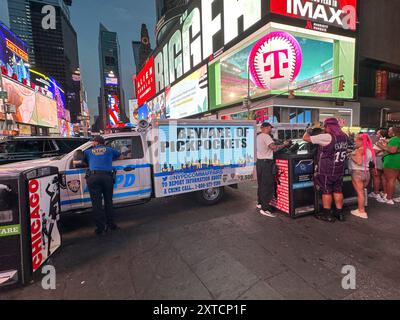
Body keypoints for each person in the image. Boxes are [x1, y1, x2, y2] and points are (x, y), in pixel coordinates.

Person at [303, 118, 349, 222]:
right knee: (338, 190)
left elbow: (305, 138)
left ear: (328, 126)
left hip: (326, 170)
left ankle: (327, 214)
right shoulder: (344, 136)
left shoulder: (327, 136)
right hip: (339, 168)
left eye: (325, 126)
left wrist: (308, 130)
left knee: (326, 191)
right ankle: (339, 213)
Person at [84, 136, 122, 235]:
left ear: (96, 143)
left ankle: (100, 228)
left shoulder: (88, 152)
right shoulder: (109, 150)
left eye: (93, 142)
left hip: (93, 177)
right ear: (103, 143)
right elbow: (119, 156)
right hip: (107, 177)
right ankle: (111, 225)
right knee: (108, 202)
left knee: (96, 204)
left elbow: (82, 161)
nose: (92, 144)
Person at [256, 122, 290, 218]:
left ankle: (260, 203)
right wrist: (284, 144)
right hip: (266, 163)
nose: (270, 130)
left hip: (260, 162)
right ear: (265, 128)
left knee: (261, 184)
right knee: (267, 185)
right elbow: (274, 148)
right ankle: (265, 209)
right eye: (270, 128)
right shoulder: (266, 136)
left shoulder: (258, 137)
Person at [349, 134, 375, 219]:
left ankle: (361, 211)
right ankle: (361, 208)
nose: (354, 142)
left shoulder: (359, 150)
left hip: (357, 173)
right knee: (362, 192)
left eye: (356, 140)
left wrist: (351, 155)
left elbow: (359, 162)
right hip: (366, 173)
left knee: (360, 193)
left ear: (361, 141)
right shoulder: (369, 149)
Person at [377, 127, 400, 205]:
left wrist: (381, 145)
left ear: (394, 132)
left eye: (390, 131)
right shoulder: (397, 139)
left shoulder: (395, 139)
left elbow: (392, 150)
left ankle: (389, 198)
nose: (388, 132)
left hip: (391, 161)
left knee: (390, 180)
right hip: (397, 161)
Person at [369, 128, 389, 201]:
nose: (376, 135)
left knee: (376, 176)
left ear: (381, 134)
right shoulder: (388, 141)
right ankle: (385, 193)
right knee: (384, 177)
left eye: (377, 133)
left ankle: (376, 193)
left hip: (378, 159)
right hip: (385, 159)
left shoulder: (380, 141)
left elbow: (374, 152)